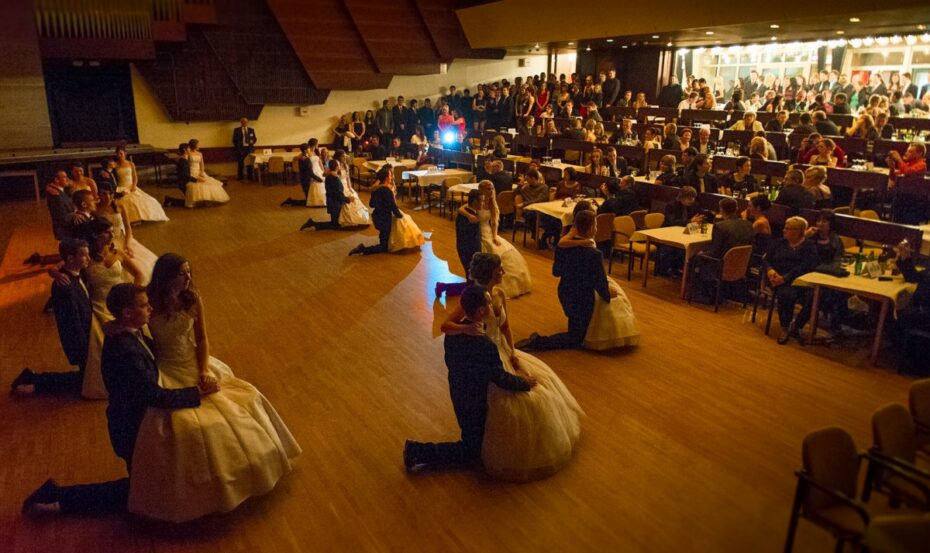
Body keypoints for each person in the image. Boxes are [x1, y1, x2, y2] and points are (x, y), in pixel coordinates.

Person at [126, 254, 300, 522]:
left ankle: (243, 472)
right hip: (168, 368)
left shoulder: (192, 299)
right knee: (186, 425)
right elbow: (128, 317)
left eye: (189, 272)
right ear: (167, 276)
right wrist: (114, 327)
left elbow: (202, 338)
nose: (188, 278)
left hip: (194, 363)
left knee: (239, 406)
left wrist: (205, 369)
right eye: (182, 273)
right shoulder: (150, 302)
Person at [21, 283, 211, 518]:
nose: (150, 308)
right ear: (128, 313)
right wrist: (196, 393)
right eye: (144, 305)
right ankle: (57, 498)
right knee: (140, 489)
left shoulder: (128, 334)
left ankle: (59, 497)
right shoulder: (126, 351)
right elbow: (154, 395)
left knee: (145, 483)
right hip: (130, 427)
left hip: (134, 421)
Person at [436, 254, 583, 480]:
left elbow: (505, 327)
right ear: (490, 273)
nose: (503, 273)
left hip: (503, 350)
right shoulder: (475, 298)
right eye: (500, 270)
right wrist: (467, 329)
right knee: (512, 404)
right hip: (489, 356)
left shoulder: (499, 294)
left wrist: (512, 351)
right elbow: (445, 325)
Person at [403, 286, 536, 473]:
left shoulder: (453, 335)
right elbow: (499, 377)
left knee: (471, 434)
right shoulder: (485, 345)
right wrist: (523, 383)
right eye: (488, 303)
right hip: (473, 399)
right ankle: (417, 451)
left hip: (458, 390)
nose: (490, 305)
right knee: (471, 450)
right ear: (481, 310)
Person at [516, 210, 616, 351]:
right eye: (595, 225)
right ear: (590, 228)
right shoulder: (595, 254)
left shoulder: (563, 247)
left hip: (565, 291)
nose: (596, 229)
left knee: (576, 325)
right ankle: (539, 342)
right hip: (583, 298)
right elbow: (599, 282)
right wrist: (608, 295)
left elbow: (556, 272)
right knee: (575, 339)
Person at [11, 239, 92, 397]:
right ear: (71, 259)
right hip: (82, 341)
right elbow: (71, 323)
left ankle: (34, 380)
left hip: (87, 336)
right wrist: (85, 347)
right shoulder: (65, 286)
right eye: (84, 255)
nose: (89, 258)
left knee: (89, 378)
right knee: (86, 381)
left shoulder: (76, 273)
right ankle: (35, 383)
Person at [766, 217, 819, 345]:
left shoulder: (809, 247)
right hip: (777, 279)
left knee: (816, 297)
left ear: (798, 231)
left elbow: (804, 267)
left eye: (788, 228)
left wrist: (785, 278)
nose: (784, 230)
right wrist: (770, 270)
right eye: (785, 227)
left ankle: (797, 325)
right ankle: (784, 327)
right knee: (786, 294)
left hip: (799, 280)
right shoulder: (779, 243)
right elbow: (766, 259)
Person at [475, 180, 531, 298]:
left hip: (489, 232)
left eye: (492, 188)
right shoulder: (477, 203)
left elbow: (494, 223)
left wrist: (494, 236)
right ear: (482, 190)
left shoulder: (492, 204)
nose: (491, 191)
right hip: (478, 232)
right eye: (488, 189)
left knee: (504, 250)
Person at [690, 198, 753, 301]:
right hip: (741, 265)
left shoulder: (720, 226)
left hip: (722, 265)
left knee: (694, 258)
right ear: (736, 209)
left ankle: (701, 294)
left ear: (721, 210)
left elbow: (715, 252)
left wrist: (701, 253)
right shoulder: (748, 225)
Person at [95, 187, 157, 281]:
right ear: (98, 195)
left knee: (138, 263)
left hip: (123, 238)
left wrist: (127, 244)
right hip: (108, 241)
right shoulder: (95, 210)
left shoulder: (119, 206)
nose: (107, 197)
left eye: (110, 193)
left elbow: (128, 228)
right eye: (103, 194)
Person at [435, 190, 482, 298]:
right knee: (472, 281)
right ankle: (444, 287)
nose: (482, 204)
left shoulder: (469, 212)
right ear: (475, 202)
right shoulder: (468, 218)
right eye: (481, 201)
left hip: (469, 250)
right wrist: (476, 254)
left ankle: (444, 287)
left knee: (472, 281)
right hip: (468, 251)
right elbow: (467, 238)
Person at [113, 146, 168, 224]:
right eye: (118, 154)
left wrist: (133, 186)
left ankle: (141, 217)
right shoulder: (116, 165)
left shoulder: (131, 164)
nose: (119, 155)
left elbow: (135, 177)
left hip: (131, 186)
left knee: (147, 200)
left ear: (125, 154)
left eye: (121, 153)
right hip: (121, 187)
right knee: (127, 201)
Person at [300, 160, 354, 231]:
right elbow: (338, 194)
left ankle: (313, 223)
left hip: (332, 202)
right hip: (335, 204)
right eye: (338, 165)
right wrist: (348, 199)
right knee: (335, 225)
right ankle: (313, 223)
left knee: (335, 223)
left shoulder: (330, 177)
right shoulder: (334, 179)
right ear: (336, 167)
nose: (340, 166)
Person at [184, 139, 231, 208]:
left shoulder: (200, 153)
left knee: (207, 182)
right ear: (194, 145)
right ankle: (194, 201)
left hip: (199, 171)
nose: (199, 146)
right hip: (191, 171)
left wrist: (201, 172)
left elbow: (202, 164)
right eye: (198, 144)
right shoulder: (188, 153)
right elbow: (186, 164)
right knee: (195, 185)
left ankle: (207, 200)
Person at [280, 143, 319, 207]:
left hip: (304, 178)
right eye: (309, 149)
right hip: (306, 180)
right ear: (306, 150)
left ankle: (290, 201)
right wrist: (319, 179)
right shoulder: (304, 158)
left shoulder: (304, 157)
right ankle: (290, 202)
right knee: (308, 202)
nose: (310, 150)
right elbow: (310, 173)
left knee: (308, 200)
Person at [163, 143, 198, 208]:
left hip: (183, 181)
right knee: (190, 204)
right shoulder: (183, 161)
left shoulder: (183, 159)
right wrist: (196, 180)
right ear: (185, 150)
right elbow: (185, 176)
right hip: (183, 183)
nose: (190, 150)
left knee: (190, 202)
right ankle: (170, 200)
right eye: (188, 148)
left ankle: (169, 199)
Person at [306, 139, 326, 207]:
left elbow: (320, 162)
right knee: (316, 183)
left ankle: (322, 200)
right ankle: (315, 201)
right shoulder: (308, 152)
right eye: (317, 143)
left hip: (318, 169)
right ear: (314, 144)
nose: (318, 145)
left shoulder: (317, 152)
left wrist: (323, 171)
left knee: (322, 182)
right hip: (313, 169)